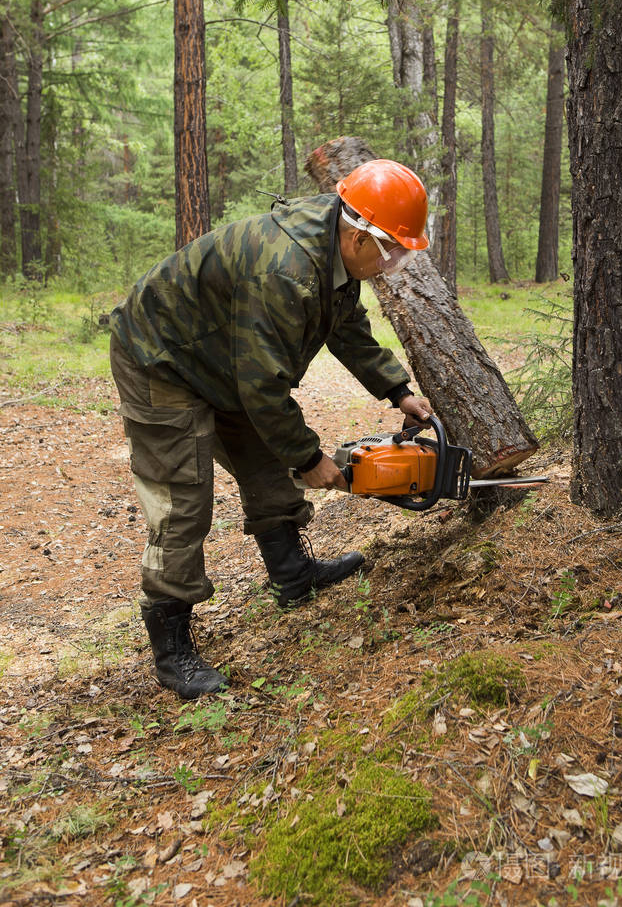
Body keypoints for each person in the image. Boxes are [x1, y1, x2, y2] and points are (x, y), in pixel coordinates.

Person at [109, 159, 433, 700]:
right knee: (183, 496)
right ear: (359, 233)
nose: (393, 262)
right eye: (392, 249)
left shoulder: (336, 255)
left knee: (262, 458)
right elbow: (263, 387)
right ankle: (171, 648)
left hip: (222, 355)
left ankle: (291, 574)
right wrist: (310, 459)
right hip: (160, 357)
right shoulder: (285, 269)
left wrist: (399, 390)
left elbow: (346, 329)